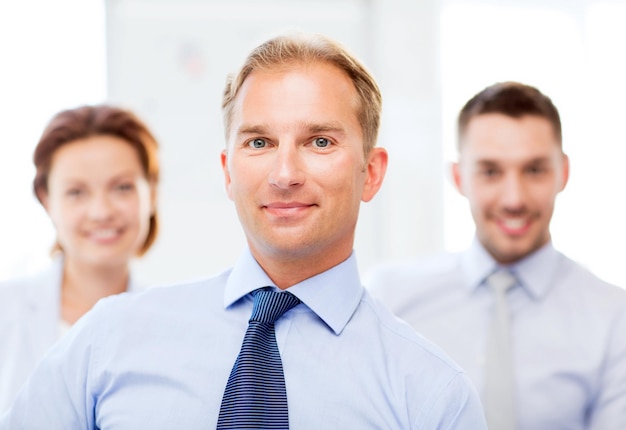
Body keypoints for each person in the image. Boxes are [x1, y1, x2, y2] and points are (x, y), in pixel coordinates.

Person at [0, 32, 487, 429]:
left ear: (372, 172)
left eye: (320, 141)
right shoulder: (108, 341)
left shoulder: (431, 395)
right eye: (259, 141)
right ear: (229, 171)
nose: (284, 173)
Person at [366, 81, 626, 430]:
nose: (513, 199)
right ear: (459, 177)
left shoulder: (614, 318)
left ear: (563, 173)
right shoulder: (388, 299)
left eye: (534, 170)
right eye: (490, 172)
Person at [0, 104, 160, 413]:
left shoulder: (172, 325)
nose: (101, 212)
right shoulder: (6, 310)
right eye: (76, 192)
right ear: (47, 199)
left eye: (123, 187)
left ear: (151, 194)